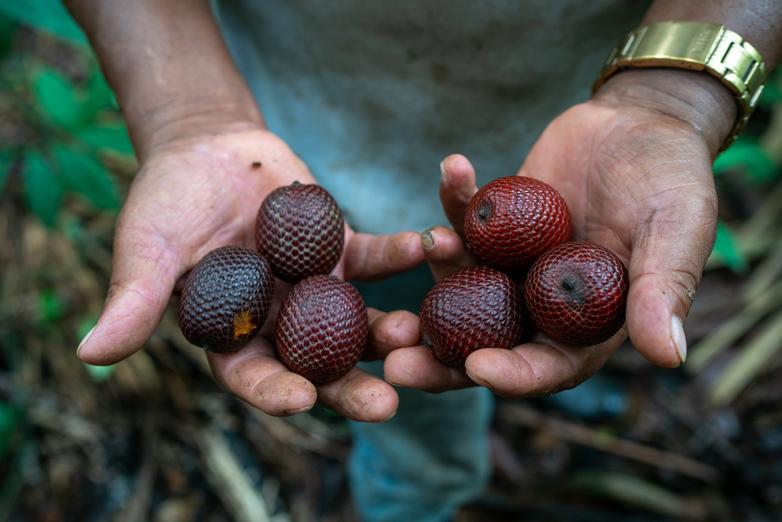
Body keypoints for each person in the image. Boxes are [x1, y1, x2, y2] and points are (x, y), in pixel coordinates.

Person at [66, 1, 781, 520]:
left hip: (588, 151)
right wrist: (184, 112)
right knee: (420, 397)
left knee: (540, 336)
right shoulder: (288, 248)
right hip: (278, 134)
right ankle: (412, 500)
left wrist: (675, 95)